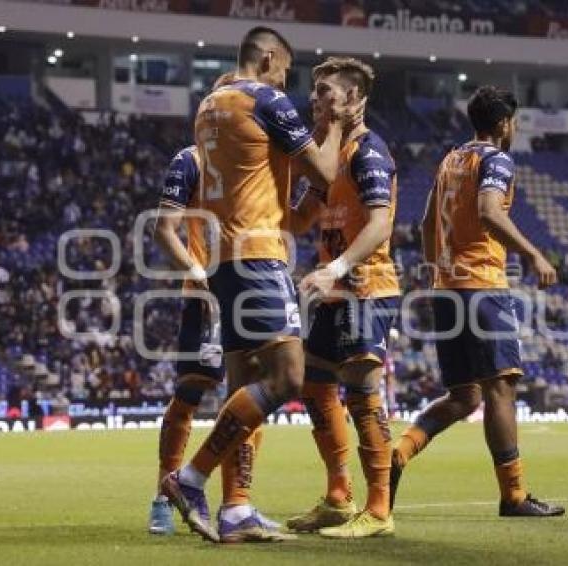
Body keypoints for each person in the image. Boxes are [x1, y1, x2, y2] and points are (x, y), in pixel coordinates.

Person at [160, 26, 356, 543]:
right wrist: (334, 124)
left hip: (223, 260)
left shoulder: (208, 104)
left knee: (242, 381)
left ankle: (236, 510)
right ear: (268, 58)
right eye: (285, 70)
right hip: (258, 255)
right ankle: (190, 478)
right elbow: (325, 169)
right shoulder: (266, 98)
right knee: (289, 377)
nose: (285, 80)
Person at [389, 86, 564, 518]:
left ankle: (397, 454)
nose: (516, 128)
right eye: (515, 121)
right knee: (501, 388)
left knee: (464, 397)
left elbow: (428, 220)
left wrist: (434, 271)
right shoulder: (495, 159)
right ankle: (515, 495)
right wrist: (533, 253)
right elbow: (489, 210)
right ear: (504, 123)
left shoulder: (450, 160)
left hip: (447, 287)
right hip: (482, 285)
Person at [284, 57, 400, 538]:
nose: (316, 98)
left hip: (365, 287)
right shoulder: (328, 158)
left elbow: (380, 223)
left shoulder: (369, 152)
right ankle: (337, 496)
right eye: (314, 91)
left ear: (356, 100)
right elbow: (297, 221)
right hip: (334, 295)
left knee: (361, 393)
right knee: (313, 388)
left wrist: (334, 267)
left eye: (327, 91)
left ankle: (378, 510)